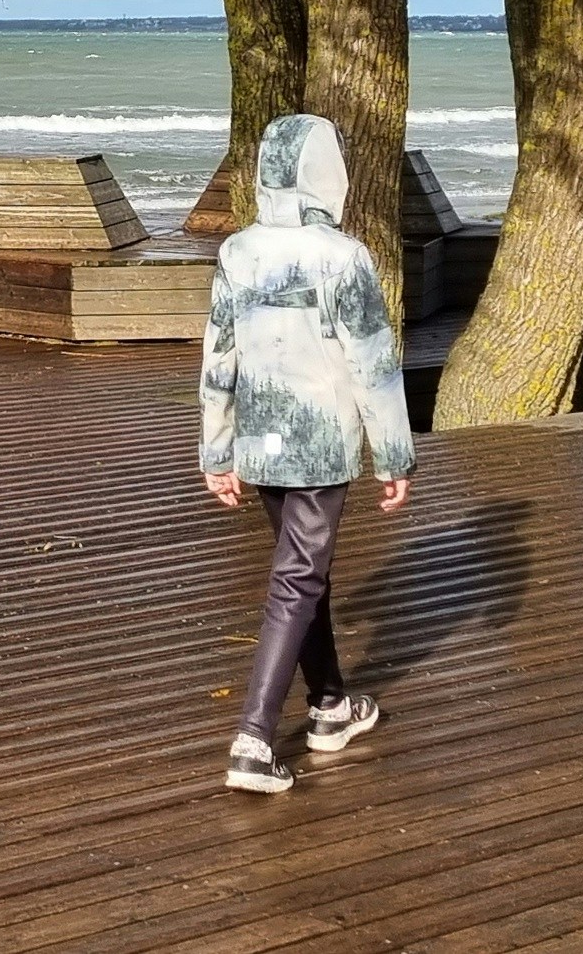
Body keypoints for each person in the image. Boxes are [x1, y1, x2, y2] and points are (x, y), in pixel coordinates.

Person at [196, 112, 414, 794]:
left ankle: (329, 707)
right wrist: (394, 456)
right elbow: (374, 365)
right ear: (327, 173)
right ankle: (253, 740)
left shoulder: (237, 252)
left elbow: (217, 359)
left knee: (302, 569)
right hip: (319, 438)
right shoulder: (343, 256)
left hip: (260, 436)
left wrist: (216, 450)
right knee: (298, 576)